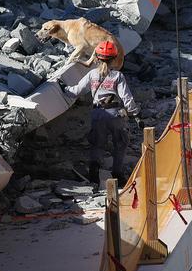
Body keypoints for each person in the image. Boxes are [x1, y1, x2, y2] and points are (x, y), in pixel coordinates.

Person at [60, 41, 143, 185]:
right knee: (121, 143)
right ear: (114, 59)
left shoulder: (92, 74)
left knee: (97, 144)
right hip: (115, 114)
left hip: (97, 114)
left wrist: (63, 88)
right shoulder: (117, 76)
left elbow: (76, 91)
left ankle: (94, 176)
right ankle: (118, 175)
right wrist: (135, 114)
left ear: (97, 58)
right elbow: (127, 98)